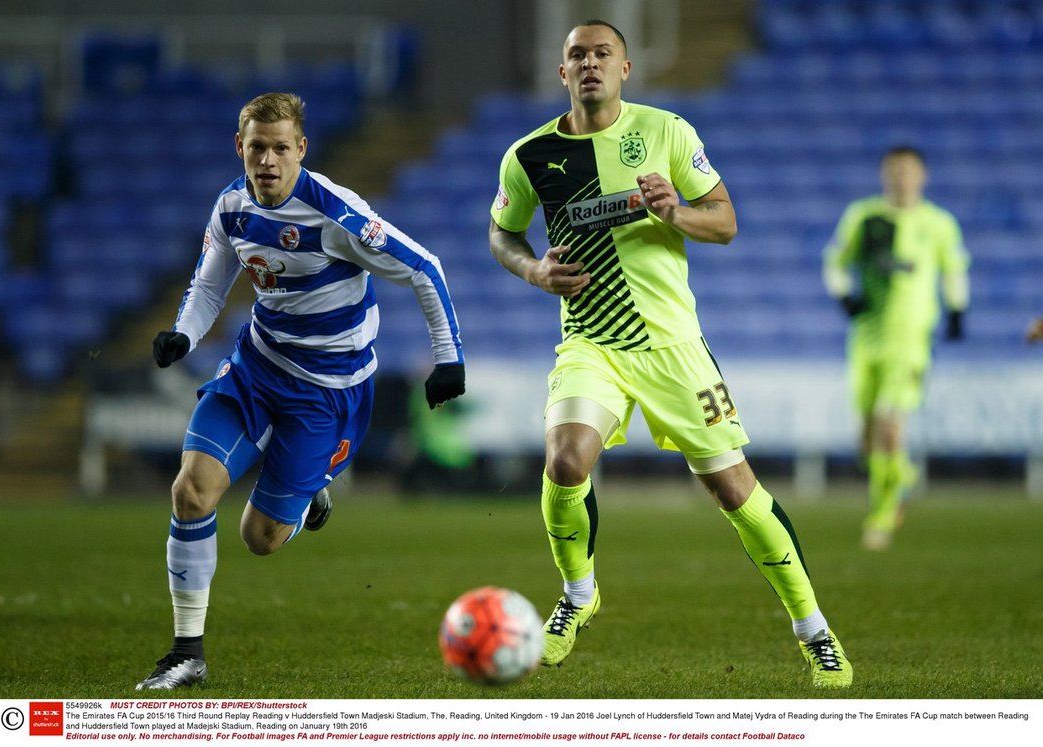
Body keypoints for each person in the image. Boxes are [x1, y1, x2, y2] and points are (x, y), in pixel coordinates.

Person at [488, 20, 852, 688]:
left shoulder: (668, 132)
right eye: (577, 55)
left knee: (734, 490)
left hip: (674, 346)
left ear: (626, 68)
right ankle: (577, 595)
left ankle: (815, 630)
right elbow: (501, 232)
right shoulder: (529, 155)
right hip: (591, 341)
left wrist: (675, 213)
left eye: (602, 53)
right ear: (561, 71)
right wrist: (533, 271)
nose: (589, 63)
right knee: (566, 459)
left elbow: (726, 220)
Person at [136, 92, 465, 690]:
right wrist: (183, 335)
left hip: (328, 392)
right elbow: (210, 286)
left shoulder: (336, 214)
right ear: (240, 148)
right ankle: (187, 653)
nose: (267, 161)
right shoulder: (232, 207)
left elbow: (425, 267)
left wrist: (448, 358)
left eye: (280, 148)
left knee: (259, 539)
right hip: (257, 367)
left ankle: (312, 489)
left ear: (300, 150)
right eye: (257, 148)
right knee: (192, 492)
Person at [822, 146, 969, 551]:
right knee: (867, 440)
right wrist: (844, 296)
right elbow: (833, 261)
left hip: (911, 338)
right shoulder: (864, 216)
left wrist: (957, 310)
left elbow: (954, 268)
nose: (902, 178)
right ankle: (900, 477)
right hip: (867, 337)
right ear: (884, 175)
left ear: (922, 177)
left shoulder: (939, 224)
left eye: (909, 171)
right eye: (895, 171)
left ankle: (882, 517)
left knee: (890, 425)